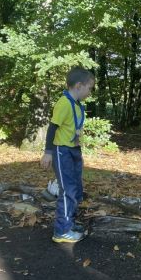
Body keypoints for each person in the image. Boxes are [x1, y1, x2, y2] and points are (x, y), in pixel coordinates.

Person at [41, 67, 95, 243]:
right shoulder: (64, 103)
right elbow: (52, 128)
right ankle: (61, 231)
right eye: (89, 88)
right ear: (79, 86)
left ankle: (69, 223)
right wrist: (48, 153)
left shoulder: (78, 105)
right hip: (61, 150)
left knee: (76, 188)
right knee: (67, 190)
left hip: (73, 150)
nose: (90, 92)